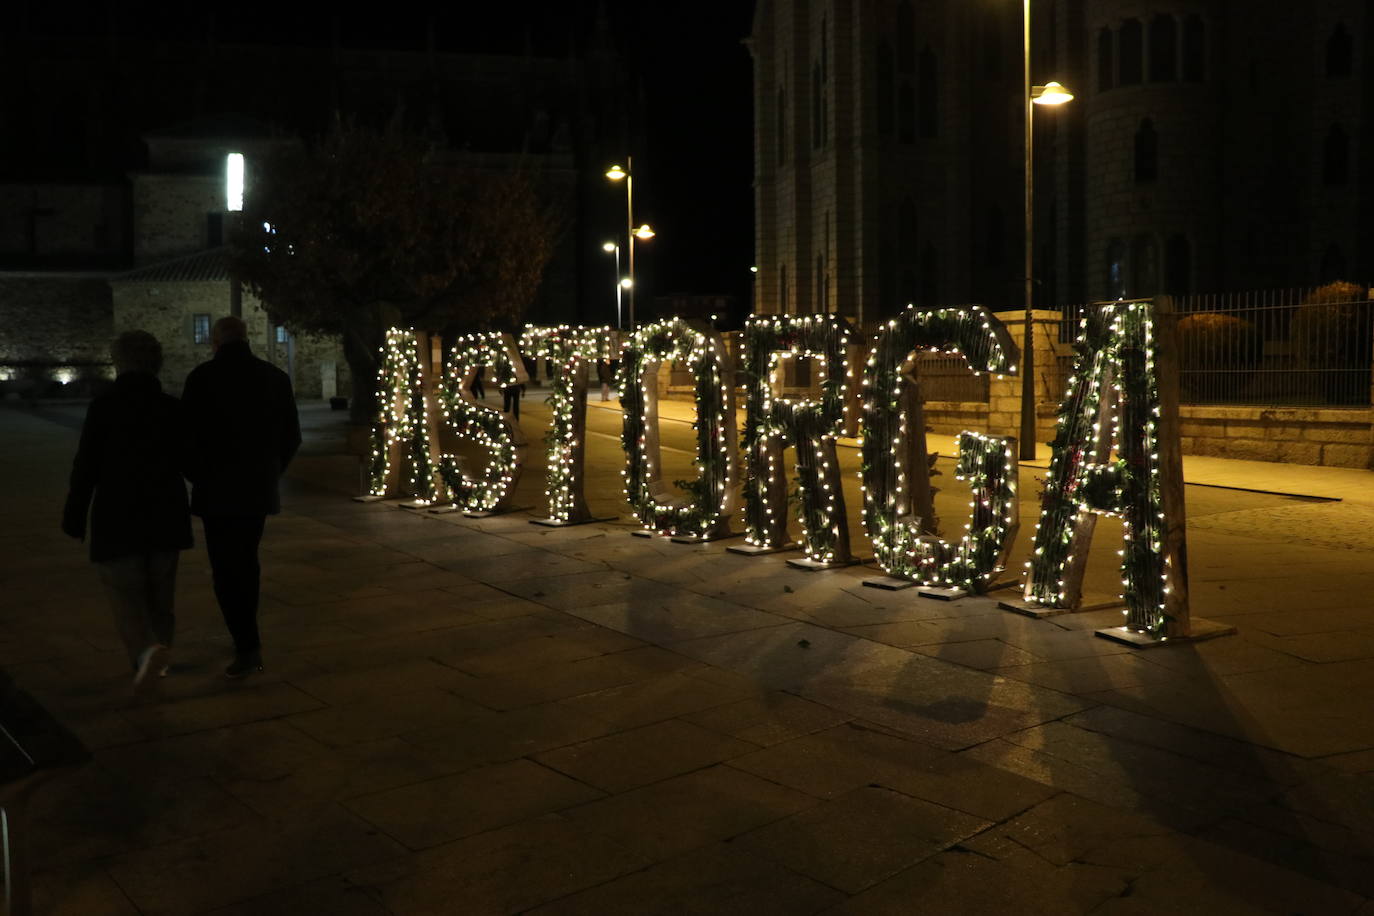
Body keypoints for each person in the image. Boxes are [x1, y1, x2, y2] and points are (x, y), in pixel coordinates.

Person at [62, 330, 191, 694]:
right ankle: (160, 654)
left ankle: (146, 651)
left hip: (118, 515)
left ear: (119, 361)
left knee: (124, 592)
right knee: (161, 593)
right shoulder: (171, 407)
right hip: (166, 512)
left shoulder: (104, 407)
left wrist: (74, 514)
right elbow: (191, 461)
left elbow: (86, 465)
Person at [181, 316, 301, 678]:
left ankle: (245, 642)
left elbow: (185, 439)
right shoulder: (275, 378)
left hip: (216, 491)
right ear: (246, 339)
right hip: (255, 490)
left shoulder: (201, 379)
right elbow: (291, 436)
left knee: (225, 567)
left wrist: (199, 476)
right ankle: (248, 640)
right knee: (247, 561)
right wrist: (269, 473)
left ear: (216, 342)